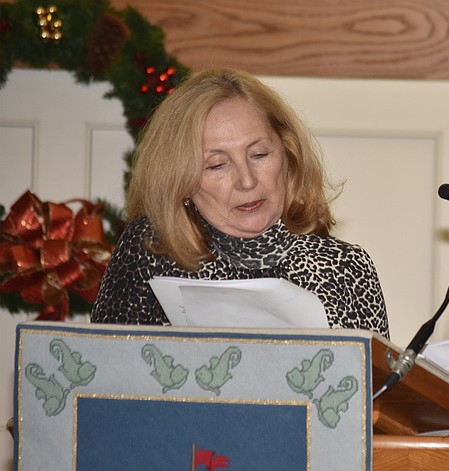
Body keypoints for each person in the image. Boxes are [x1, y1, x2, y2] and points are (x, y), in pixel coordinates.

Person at [91, 68, 389, 336]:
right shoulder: (150, 252)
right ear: (180, 180)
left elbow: (376, 395)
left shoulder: (346, 269)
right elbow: (104, 379)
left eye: (259, 155)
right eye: (217, 165)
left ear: (288, 155)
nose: (246, 181)